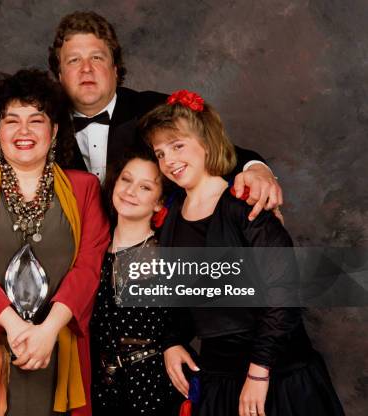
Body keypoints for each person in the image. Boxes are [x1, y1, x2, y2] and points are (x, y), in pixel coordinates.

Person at [0, 11, 282, 222]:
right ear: (59, 73)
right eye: (74, 61)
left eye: (97, 58)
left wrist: (257, 168)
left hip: (151, 274)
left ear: (116, 67)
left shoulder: (153, 111)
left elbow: (219, 149)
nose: (87, 70)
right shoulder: (37, 122)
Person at [140, 90, 344, 416]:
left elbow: (284, 294)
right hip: (219, 379)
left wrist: (259, 371)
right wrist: (172, 341)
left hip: (275, 375)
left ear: (206, 142)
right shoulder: (172, 216)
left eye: (177, 146)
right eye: (160, 153)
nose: (169, 161)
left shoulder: (244, 204)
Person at [0, 69, 110, 416]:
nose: (24, 131)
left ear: (55, 129)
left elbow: (89, 268)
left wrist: (47, 332)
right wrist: (15, 328)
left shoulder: (84, 189)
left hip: (57, 346)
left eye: (36, 120)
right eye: (12, 120)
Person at [90, 145, 191, 415]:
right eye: (126, 179)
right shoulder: (93, 249)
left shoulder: (167, 253)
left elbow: (190, 317)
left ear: (159, 202)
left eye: (145, 187)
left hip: (153, 383)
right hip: (101, 385)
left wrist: (174, 342)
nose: (130, 191)